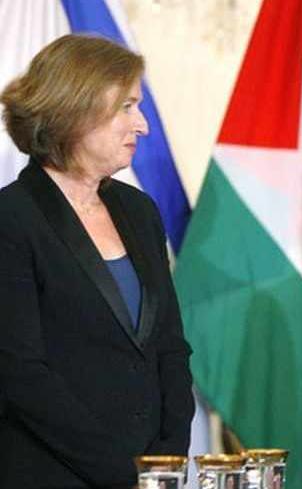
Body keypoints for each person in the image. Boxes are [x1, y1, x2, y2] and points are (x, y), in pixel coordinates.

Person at [0, 34, 193, 488]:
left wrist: (166, 459)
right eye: (127, 107)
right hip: (53, 474)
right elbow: (20, 373)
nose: (143, 125)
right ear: (75, 109)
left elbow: (169, 345)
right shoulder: (12, 219)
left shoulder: (139, 211)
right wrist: (121, 471)